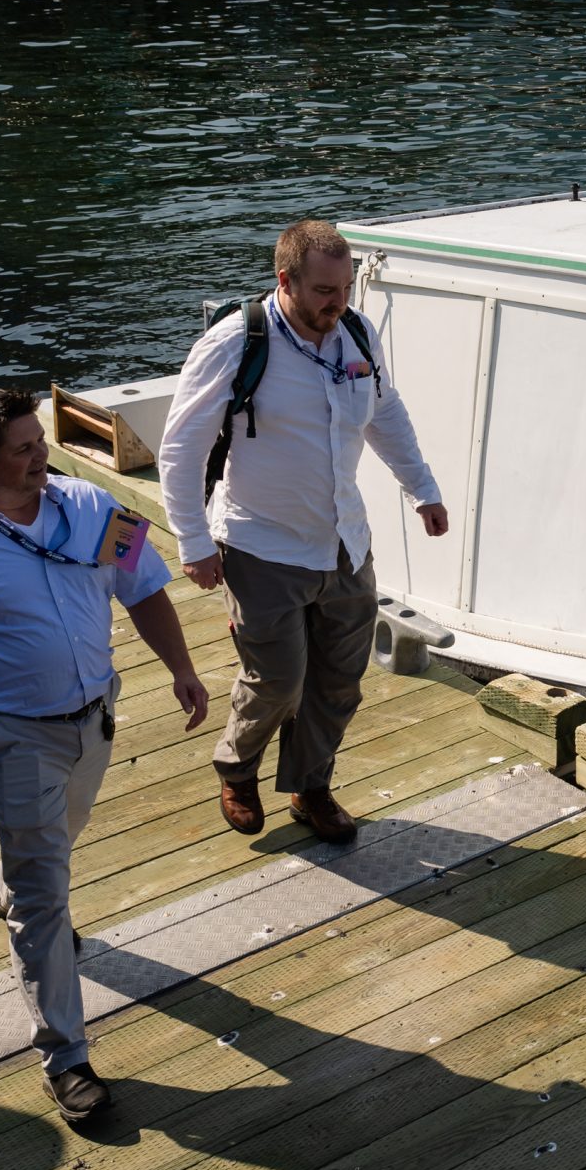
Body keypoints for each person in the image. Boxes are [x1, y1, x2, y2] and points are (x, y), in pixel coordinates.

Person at [0, 387, 209, 1122]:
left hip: (94, 723)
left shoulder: (92, 506)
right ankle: (66, 1057)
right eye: (23, 449)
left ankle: (16, 882)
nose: (41, 457)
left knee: (52, 845)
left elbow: (144, 589)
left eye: (41, 441)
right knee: (44, 897)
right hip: (12, 739)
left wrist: (182, 668)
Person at [155, 220, 447, 841]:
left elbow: (384, 411)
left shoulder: (357, 333)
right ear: (284, 280)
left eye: (345, 288)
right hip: (261, 542)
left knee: (339, 679)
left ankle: (310, 786)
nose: (337, 303)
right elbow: (180, 449)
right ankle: (238, 769)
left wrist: (422, 488)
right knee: (279, 680)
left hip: (345, 543)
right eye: (323, 290)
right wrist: (194, 542)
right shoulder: (236, 343)